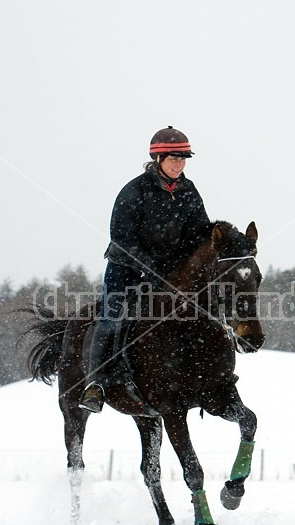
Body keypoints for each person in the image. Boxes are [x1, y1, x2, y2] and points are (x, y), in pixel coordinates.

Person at [79, 126, 210, 413]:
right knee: (111, 317)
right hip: (125, 267)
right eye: (174, 158)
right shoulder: (134, 190)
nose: (180, 164)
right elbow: (122, 239)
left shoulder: (189, 191)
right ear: (158, 159)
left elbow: (199, 232)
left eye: (184, 158)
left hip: (167, 271)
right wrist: (151, 269)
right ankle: (95, 384)